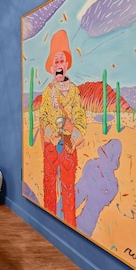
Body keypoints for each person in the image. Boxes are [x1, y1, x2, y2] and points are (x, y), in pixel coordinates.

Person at [38, 30, 86, 227]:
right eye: (55, 62)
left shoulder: (74, 92)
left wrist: (71, 136)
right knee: (49, 184)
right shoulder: (48, 92)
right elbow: (42, 117)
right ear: (51, 67)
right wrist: (51, 135)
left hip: (68, 147)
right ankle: (49, 221)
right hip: (51, 146)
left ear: (67, 65)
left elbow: (80, 119)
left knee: (68, 187)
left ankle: (69, 224)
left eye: (62, 61)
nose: (59, 65)